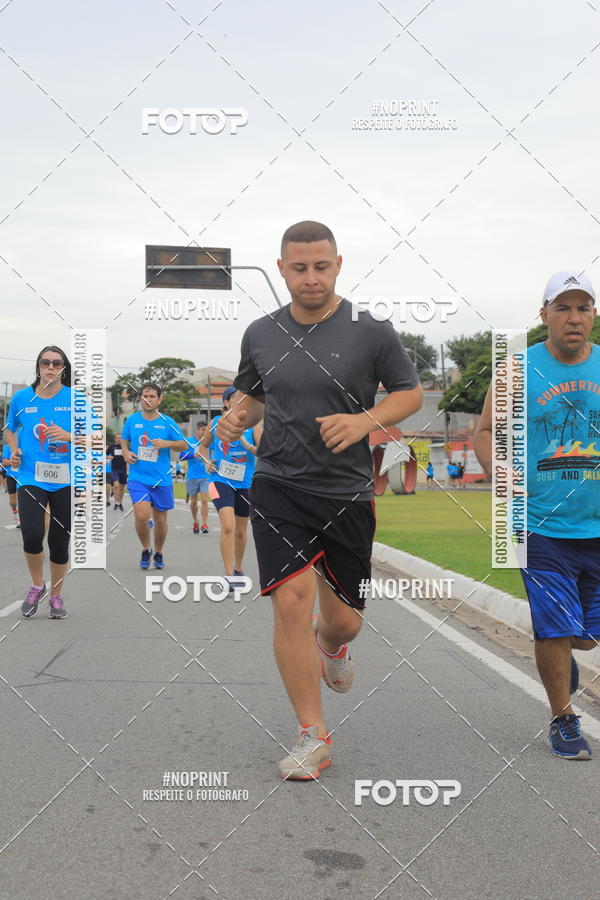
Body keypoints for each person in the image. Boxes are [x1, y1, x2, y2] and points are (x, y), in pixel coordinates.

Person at [218, 221, 422, 779]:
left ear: (338, 264)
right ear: (281, 269)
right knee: (289, 602)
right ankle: (313, 736)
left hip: (346, 493)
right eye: (299, 268)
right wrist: (238, 417)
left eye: (321, 266)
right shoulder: (261, 333)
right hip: (279, 484)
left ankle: (330, 647)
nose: (311, 278)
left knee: (344, 622)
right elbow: (256, 397)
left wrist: (363, 421)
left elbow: (410, 393)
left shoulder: (371, 331)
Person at [474, 270, 599, 760]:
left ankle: (565, 651)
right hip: (538, 524)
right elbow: (485, 431)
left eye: (583, 308)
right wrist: (502, 481)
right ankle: (562, 718)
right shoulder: (515, 371)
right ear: (543, 314)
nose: (574, 318)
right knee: (554, 626)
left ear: (593, 316)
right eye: (563, 308)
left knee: (584, 637)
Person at [5, 346, 74, 618]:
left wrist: (69, 436)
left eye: (57, 364)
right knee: (32, 534)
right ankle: (37, 585)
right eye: (46, 362)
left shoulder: (75, 399)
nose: (51, 367)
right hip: (30, 477)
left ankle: (56, 596)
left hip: (66, 479)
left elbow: (94, 438)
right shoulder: (22, 398)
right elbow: (10, 429)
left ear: (63, 369)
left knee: (59, 542)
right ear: (38, 366)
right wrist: (14, 450)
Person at [199, 388, 262, 587]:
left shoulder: (255, 426)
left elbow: (264, 450)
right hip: (220, 480)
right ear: (227, 402)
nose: (244, 402)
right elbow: (202, 446)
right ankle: (228, 576)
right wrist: (206, 461)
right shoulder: (216, 423)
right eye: (238, 398)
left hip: (245, 483)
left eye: (247, 399)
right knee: (228, 526)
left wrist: (248, 443)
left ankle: (238, 568)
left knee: (241, 530)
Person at [121, 383, 187, 569]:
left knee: (160, 520)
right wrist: (125, 452)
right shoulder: (132, 420)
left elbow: (183, 445)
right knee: (141, 515)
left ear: (159, 399)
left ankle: (158, 552)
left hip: (161, 479)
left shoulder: (167, 422)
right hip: (138, 478)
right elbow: (125, 440)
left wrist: (166, 443)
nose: (147, 400)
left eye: (151, 396)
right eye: (144, 396)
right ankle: (145, 548)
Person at [180, 421, 210, 534]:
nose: (204, 432)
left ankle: (205, 524)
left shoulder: (208, 442)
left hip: (205, 476)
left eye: (206, 430)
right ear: (198, 430)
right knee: (193, 502)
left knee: (204, 500)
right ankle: (195, 521)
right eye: (203, 430)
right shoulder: (189, 441)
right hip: (192, 476)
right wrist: (193, 455)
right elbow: (181, 456)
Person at [106, 433, 127, 511]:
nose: (119, 439)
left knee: (122, 488)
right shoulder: (112, 447)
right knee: (116, 486)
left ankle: (119, 503)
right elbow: (104, 454)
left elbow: (130, 454)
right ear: (115, 439)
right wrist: (109, 457)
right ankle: (116, 502)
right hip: (114, 469)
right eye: (117, 438)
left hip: (123, 469)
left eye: (120, 438)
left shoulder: (125, 447)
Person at [2, 441, 19, 525]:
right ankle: (14, 512)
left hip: (23, 476)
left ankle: (20, 518)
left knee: (22, 497)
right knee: (12, 500)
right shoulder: (7, 447)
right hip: (11, 476)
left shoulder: (26, 445)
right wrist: (14, 462)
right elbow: (4, 462)